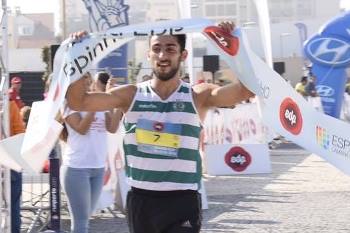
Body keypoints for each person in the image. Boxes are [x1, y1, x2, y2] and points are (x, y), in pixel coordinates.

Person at [67, 21, 253, 233]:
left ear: (183, 55)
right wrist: (77, 56)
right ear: (148, 55)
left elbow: (245, 91)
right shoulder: (130, 95)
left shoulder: (198, 95)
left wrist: (234, 47)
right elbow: (78, 102)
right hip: (142, 199)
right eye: (156, 49)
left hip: (182, 199)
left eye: (170, 49)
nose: (163, 56)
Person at [60, 72, 121, 233]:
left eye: (88, 77)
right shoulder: (68, 104)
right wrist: (94, 107)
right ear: (72, 82)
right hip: (76, 169)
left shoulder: (97, 99)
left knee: (86, 219)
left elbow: (113, 128)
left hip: (98, 168)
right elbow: (81, 128)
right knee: (81, 224)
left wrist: (121, 103)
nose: (87, 81)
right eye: (83, 77)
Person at [9, 100, 25, 233]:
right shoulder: (10, 105)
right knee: (13, 205)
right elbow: (20, 134)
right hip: (10, 161)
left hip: (10, 164)